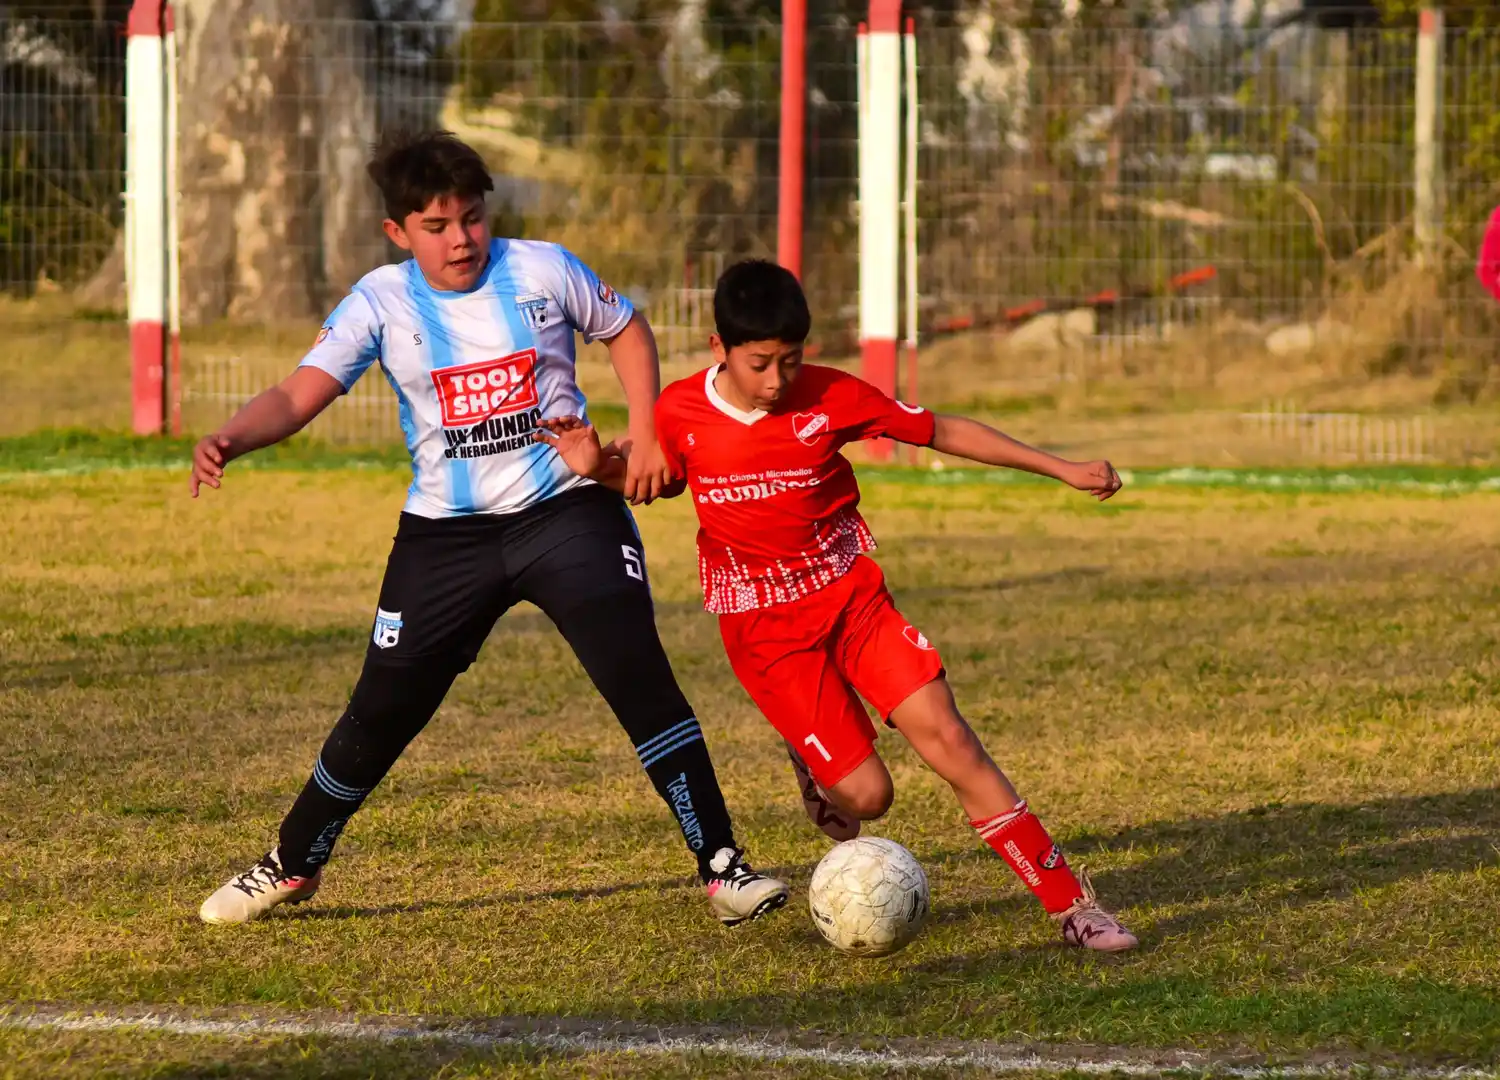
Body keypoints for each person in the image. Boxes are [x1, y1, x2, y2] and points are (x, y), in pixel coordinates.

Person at [189, 131, 788, 928]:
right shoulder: (379, 301)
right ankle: (293, 863)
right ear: (398, 233)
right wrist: (232, 435)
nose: (461, 239)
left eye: (471, 218)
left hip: (566, 513)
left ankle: (723, 867)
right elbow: (299, 393)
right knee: (382, 708)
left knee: (636, 672)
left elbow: (626, 330)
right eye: (435, 227)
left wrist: (645, 432)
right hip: (447, 538)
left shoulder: (542, 268)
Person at [536, 259, 1139, 952]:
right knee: (865, 802)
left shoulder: (832, 396)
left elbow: (939, 429)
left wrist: (1061, 467)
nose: (776, 381)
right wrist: (597, 467)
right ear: (718, 350)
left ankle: (1073, 909)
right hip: (765, 630)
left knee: (951, 739)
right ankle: (809, 750)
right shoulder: (680, 413)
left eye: (790, 361)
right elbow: (647, 478)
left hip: (851, 598)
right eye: (759, 363)